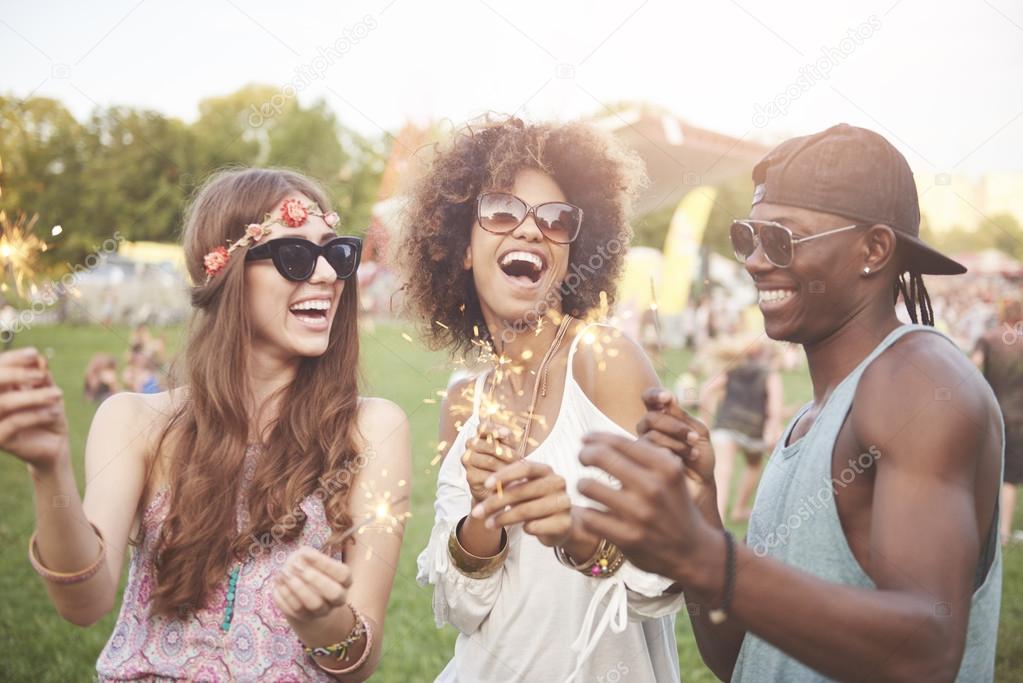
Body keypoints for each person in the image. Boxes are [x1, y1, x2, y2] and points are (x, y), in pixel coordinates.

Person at [573, 124, 1004, 681]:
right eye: (747, 236)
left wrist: (707, 558)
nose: (754, 261)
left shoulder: (917, 385)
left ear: (873, 249)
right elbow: (737, 658)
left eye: (781, 239)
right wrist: (703, 512)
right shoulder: (808, 421)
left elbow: (926, 652)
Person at [1, 168, 410, 681]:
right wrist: (48, 469)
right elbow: (83, 605)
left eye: (336, 253)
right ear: (226, 272)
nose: (328, 275)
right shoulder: (136, 420)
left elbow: (358, 665)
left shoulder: (373, 430)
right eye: (295, 256)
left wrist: (325, 621)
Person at [401, 117, 685, 682]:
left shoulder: (604, 361)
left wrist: (577, 533)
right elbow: (461, 610)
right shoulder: (463, 402)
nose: (531, 231)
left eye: (555, 220)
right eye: (503, 212)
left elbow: (668, 575)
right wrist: (485, 510)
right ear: (461, 248)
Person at [703, 336, 784, 522]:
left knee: (722, 473)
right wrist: (773, 428)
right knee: (754, 465)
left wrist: (707, 419)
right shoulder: (770, 373)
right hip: (753, 432)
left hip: (724, 427)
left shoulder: (733, 369)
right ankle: (739, 509)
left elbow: (707, 391)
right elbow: (774, 406)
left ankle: (718, 519)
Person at [974, 299, 1023, 545]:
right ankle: (1003, 532)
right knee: (1010, 477)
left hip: (991, 412)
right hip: (1019, 416)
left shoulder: (988, 338)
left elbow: (973, 366)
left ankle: (983, 527)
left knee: (987, 470)